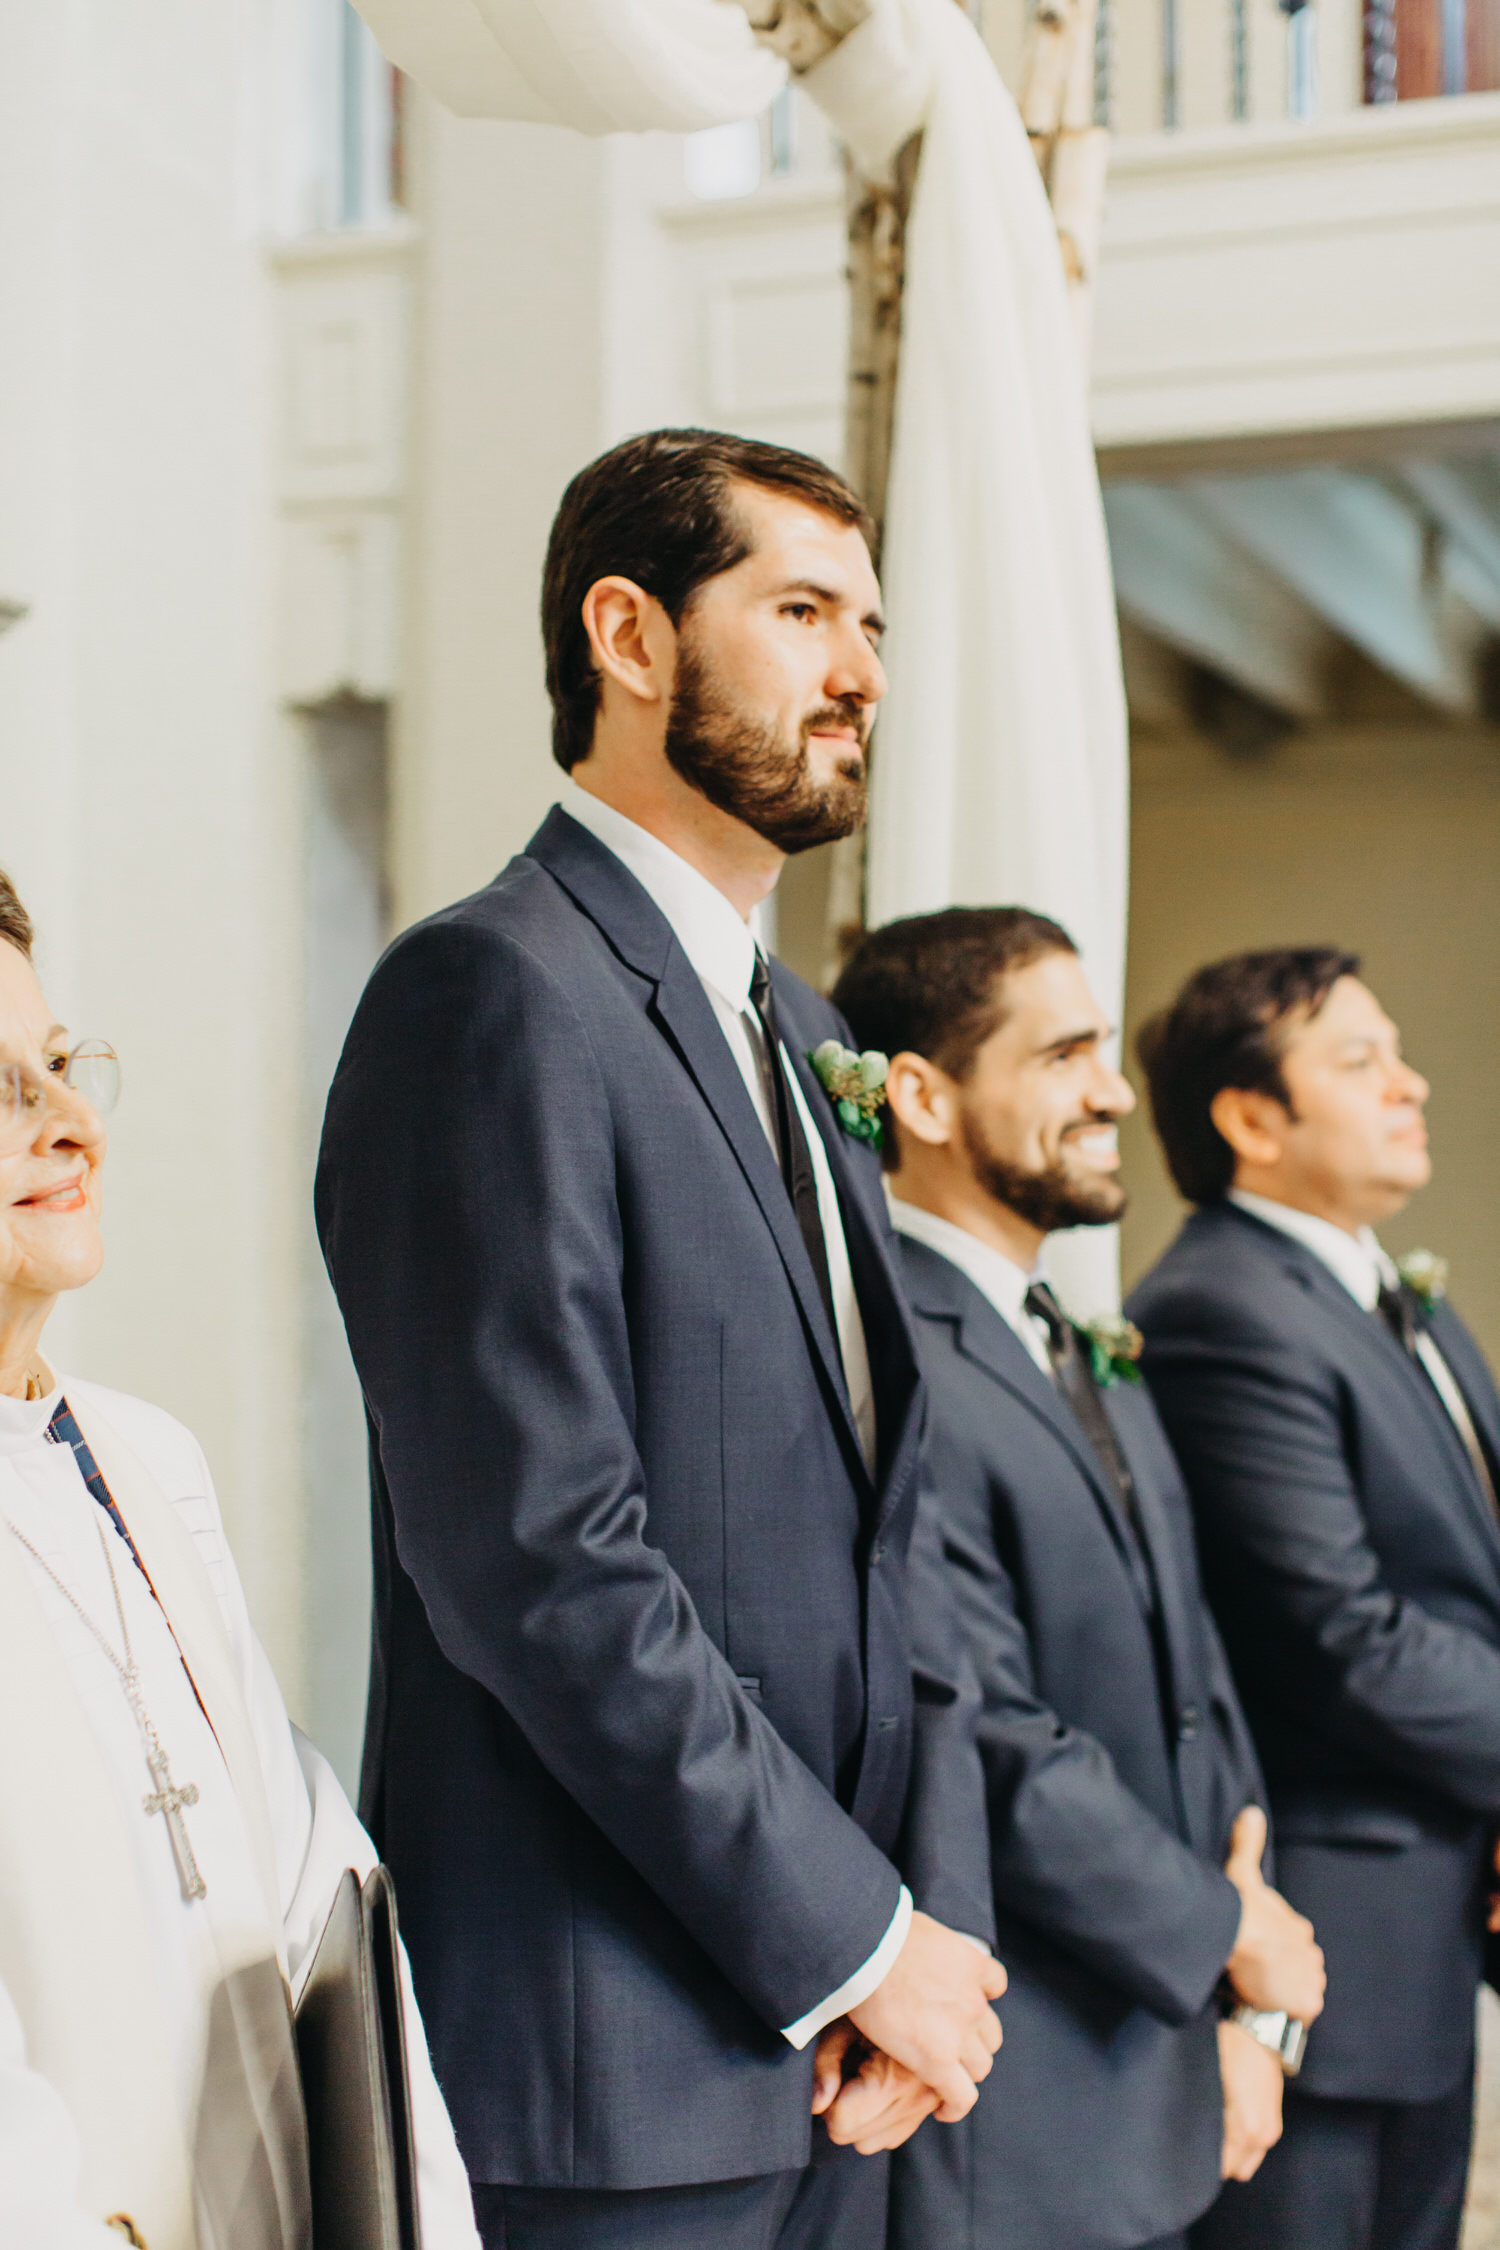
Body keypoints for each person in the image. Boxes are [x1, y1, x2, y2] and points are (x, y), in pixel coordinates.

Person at [314, 429, 1001, 2250]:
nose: (860, 670)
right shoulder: (493, 993)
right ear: (629, 635)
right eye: (798, 611)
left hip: (836, 2060)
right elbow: (538, 1560)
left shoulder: (803, 1028)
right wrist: (850, 1937)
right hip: (607, 2058)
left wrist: (916, 1943)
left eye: (871, 622)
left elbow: (889, 1543)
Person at [832, 906, 1326, 2250]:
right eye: (1062, 1055)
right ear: (923, 1095)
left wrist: (1249, 2015)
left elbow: (1197, 1676)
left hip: (1154, 2065)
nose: (1112, 1089)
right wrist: (1225, 1931)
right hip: (1020, 2101)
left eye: (1105, 1049)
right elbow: (986, 1729)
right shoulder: (899, 1358)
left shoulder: (1066, 1334)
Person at [0, 865, 480, 2250]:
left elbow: (313, 1873)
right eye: (4, 1094)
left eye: (59, 1064)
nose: (76, 1124)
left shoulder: (141, 1460)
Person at [1129, 948, 1500, 2250]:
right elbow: (1342, 1637)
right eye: (1359, 1059)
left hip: (1428, 1943)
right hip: (1317, 1962)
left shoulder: (1394, 1298)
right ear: (1249, 1117)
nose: (1411, 1084)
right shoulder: (1225, 1311)